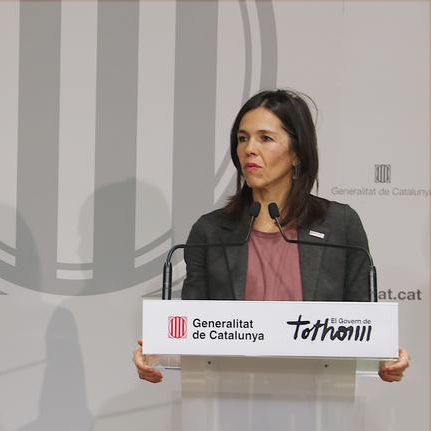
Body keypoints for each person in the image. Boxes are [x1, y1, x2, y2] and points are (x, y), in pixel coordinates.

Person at [133, 89, 409, 383]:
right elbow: (190, 329)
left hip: (320, 402)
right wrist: (157, 354)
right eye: (242, 138)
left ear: (296, 153)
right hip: (226, 401)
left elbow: (362, 324)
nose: (249, 149)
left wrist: (384, 356)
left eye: (265, 138)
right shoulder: (210, 231)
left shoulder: (340, 225)